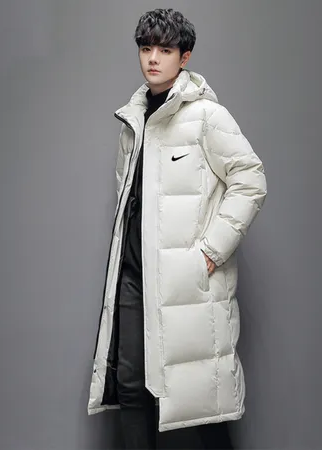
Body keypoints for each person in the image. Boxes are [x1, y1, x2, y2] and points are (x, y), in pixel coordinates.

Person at [88, 8, 267, 449]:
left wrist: (211, 250)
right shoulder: (132, 122)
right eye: (146, 48)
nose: (153, 58)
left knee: (200, 397)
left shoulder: (207, 116)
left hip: (186, 280)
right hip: (133, 277)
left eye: (165, 50)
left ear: (184, 57)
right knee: (131, 386)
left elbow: (250, 179)